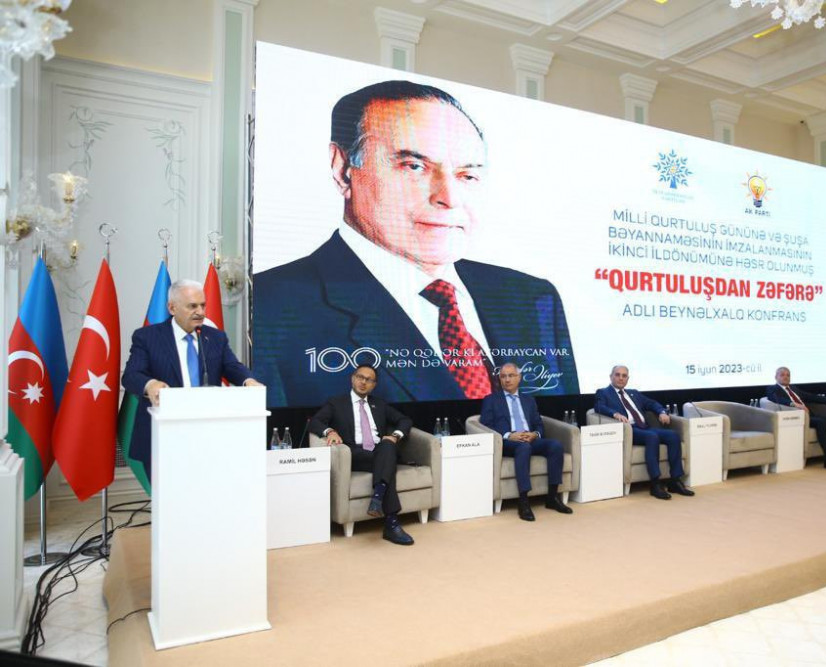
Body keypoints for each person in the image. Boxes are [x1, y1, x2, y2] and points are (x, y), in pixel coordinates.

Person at [253, 80, 578, 408]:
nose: (449, 198)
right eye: (414, 166)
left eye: (466, 176)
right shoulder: (270, 308)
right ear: (343, 169)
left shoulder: (532, 298)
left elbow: (564, 422)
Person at [121, 279, 261, 482]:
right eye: (192, 306)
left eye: (203, 305)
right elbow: (131, 375)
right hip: (162, 436)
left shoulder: (215, 337)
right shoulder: (148, 337)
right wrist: (150, 385)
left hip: (207, 434)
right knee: (169, 496)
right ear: (172, 308)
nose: (200, 312)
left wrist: (248, 380)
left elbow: (231, 366)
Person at [308, 364, 416, 545]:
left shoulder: (379, 404)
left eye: (369, 380)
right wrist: (330, 431)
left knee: (387, 446)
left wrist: (395, 436)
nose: (363, 382)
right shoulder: (336, 403)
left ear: (374, 385)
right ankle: (391, 522)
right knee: (387, 464)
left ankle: (378, 498)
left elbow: (404, 420)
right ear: (353, 378)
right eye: (360, 377)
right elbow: (315, 422)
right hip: (355, 453)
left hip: (379, 451)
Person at [479, 362, 573, 522]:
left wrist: (534, 434)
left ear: (519, 377)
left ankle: (552, 497)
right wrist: (509, 435)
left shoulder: (528, 399)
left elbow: (538, 424)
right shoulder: (491, 400)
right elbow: (486, 425)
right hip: (507, 442)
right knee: (523, 448)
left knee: (555, 446)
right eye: (503, 376)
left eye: (511, 375)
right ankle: (523, 501)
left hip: (529, 439)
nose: (507, 379)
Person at [594, 366, 694, 500]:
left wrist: (661, 412)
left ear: (628, 379)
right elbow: (599, 407)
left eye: (624, 376)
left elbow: (651, 403)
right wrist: (615, 414)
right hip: (628, 430)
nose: (621, 378)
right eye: (617, 375)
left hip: (644, 427)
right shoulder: (603, 392)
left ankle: (675, 480)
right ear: (611, 376)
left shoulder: (633, 393)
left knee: (673, 435)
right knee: (652, 437)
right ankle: (655, 483)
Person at [765, 366, 826, 471]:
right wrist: (794, 404)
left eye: (788, 375)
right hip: (798, 417)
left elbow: (811, 396)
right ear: (776, 377)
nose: (785, 377)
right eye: (782, 375)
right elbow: (776, 398)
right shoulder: (773, 388)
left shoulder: (793, 388)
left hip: (810, 415)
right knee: (821, 422)